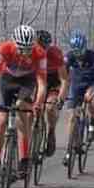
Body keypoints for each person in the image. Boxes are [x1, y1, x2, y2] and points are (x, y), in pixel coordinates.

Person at [0, 25, 47, 183]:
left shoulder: (39, 53)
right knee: (0, 121)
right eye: (21, 49)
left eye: (28, 49)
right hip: (7, 81)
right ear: (14, 43)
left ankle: (24, 159)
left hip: (26, 83)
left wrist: (38, 104)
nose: (24, 53)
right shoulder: (4, 49)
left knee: (22, 113)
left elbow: (42, 84)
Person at [61, 31, 94, 169]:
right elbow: (62, 73)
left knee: (90, 99)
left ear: (85, 48)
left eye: (81, 51)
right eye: (76, 52)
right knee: (72, 117)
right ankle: (70, 147)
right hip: (75, 86)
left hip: (90, 84)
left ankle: (92, 122)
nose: (78, 54)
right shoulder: (69, 56)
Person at [38, 29, 67, 157]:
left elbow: (64, 79)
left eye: (45, 47)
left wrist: (60, 98)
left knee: (50, 108)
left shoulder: (55, 53)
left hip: (53, 81)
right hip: (37, 81)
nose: (42, 50)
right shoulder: (29, 52)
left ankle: (51, 132)